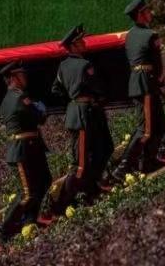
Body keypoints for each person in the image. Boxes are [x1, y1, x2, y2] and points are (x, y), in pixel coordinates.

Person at [49, 25, 114, 212]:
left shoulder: (62, 67)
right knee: (81, 163)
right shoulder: (85, 65)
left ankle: (91, 189)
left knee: (102, 150)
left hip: (79, 112)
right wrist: (88, 97)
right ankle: (61, 204)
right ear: (73, 46)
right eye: (80, 41)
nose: (84, 43)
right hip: (84, 115)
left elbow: (55, 90)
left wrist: (72, 99)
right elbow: (98, 88)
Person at [0, 61, 51, 246]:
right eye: (22, 75)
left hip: (30, 148)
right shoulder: (19, 97)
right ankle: (2, 229)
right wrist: (41, 110)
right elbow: (39, 118)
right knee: (27, 193)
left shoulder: (8, 99)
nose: (25, 78)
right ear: (13, 78)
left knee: (44, 181)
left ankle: (29, 221)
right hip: (22, 150)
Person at [112, 0, 165, 180]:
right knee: (145, 130)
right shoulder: (151, 35)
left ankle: (148, 162)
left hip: (140, 83)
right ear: (140, 15)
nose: (150, 13)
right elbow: (157, 63)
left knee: (159, 126)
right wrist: (160, 79)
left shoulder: (130, 36)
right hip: (146, 85)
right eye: (146, 11)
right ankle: (122, 168)